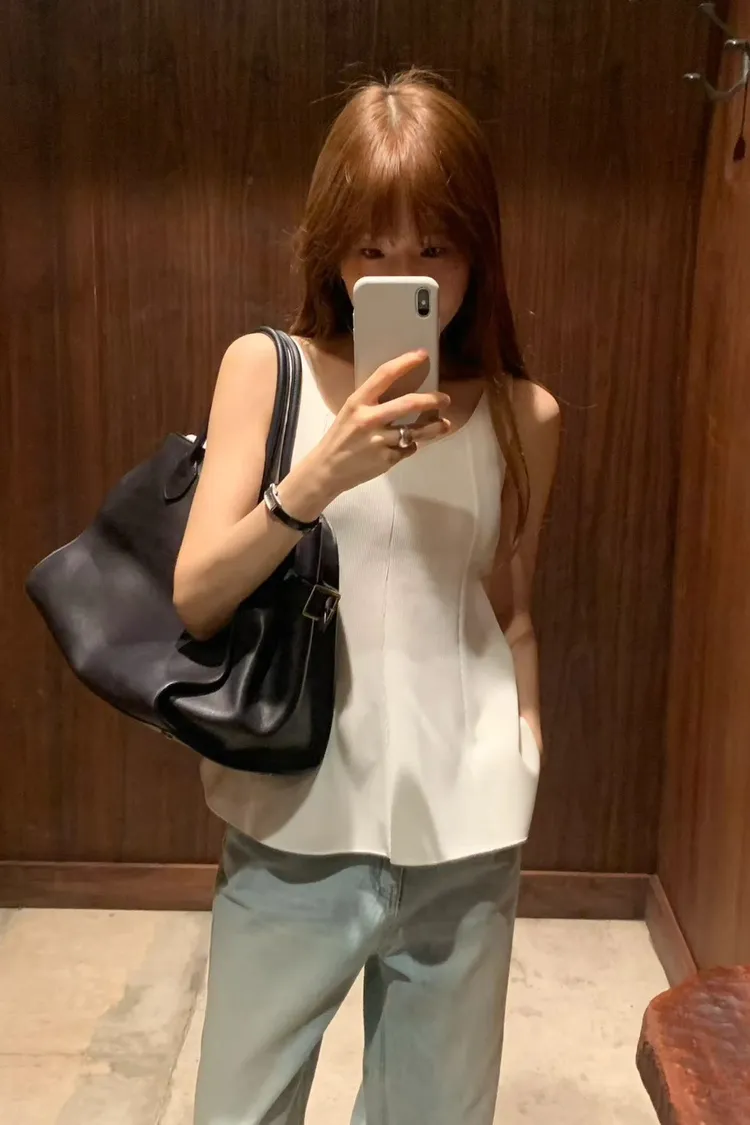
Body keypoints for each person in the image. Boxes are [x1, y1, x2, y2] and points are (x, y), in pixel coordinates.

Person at [174, 70, 560, 1125]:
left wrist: (522, 747)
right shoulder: (267, 372)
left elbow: (512, 612)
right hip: (292, 828)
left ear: (478, 251)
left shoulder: (525, 415)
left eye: (434, 247)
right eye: (372, 249)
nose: (401, 273)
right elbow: (198, 597)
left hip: (468, 836)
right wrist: (320, 476)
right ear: (332, 249)